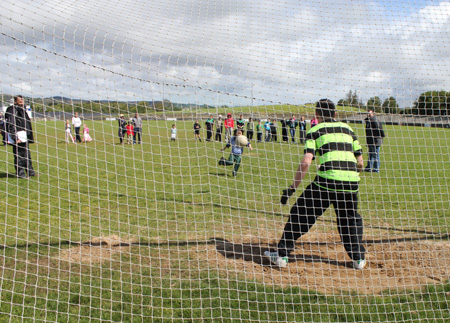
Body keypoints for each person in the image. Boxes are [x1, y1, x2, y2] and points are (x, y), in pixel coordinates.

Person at [264, 99, 367, 270]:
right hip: (352, 182)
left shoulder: (315, 130)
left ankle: (282, 254)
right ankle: (358, 259)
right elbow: (361, 162)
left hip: (327, 181)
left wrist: (292, 188)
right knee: (349, 220)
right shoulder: (348, 129)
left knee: (300, 213)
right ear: (335, 114)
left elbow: (306, 162)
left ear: (317, 115)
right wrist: (351, 175)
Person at [5, 95, 36, 178]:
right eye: (20, 100)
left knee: (27, 155)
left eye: (22, 100)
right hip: (18, 137)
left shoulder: (22, 109)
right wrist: (15, 137)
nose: (22, 101)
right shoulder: (12, 109)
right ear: (15, 101)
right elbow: (11, 124)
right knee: (19, 156)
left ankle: (30, 172)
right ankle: (21, 174)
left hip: (24, 136)